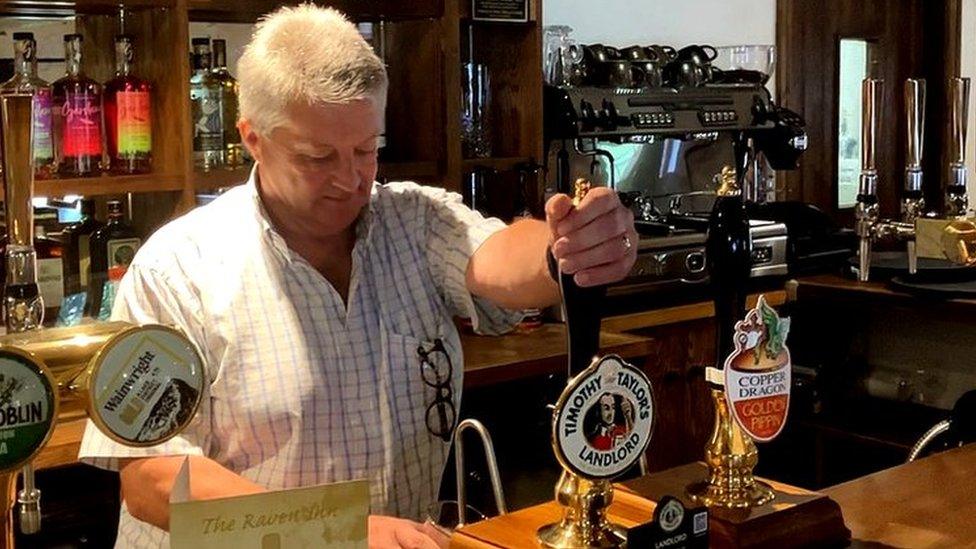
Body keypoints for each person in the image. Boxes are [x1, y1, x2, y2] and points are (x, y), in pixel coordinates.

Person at [78, 5, 637, 548]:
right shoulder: (177, 269)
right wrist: (332, 532)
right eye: (318, 157)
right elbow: (153, 480)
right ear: (253, 138)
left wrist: (565, 244)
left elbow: (497, 258)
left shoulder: (409, 221)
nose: (351, 179)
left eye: (368, 149)